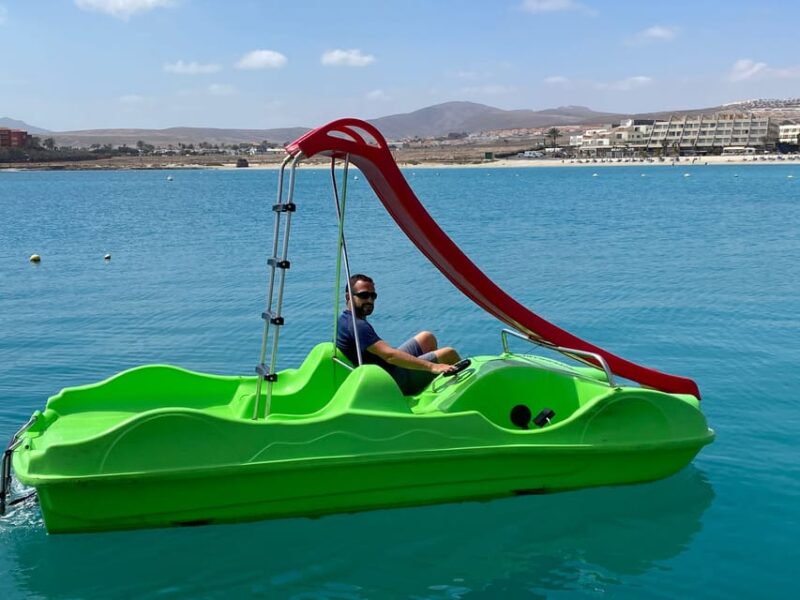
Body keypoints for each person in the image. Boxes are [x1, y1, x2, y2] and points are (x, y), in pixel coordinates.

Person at [336, 273, 461, 395]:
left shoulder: (345, 319)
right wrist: (432, 366)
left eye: (373, 296)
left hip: (386, 367)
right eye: (363, 295)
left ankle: (430, 384)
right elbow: (390, 356)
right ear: (348, 297)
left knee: (427, 338)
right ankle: (460, 395)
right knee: (449, 354)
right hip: (390, 380)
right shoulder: (358, 326)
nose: (370, 300)